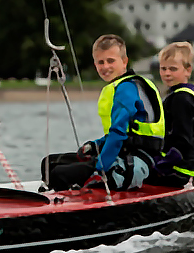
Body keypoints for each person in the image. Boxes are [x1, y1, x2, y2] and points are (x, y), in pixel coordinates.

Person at [41, 35, 166, 191]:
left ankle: (64, 207)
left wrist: (99, 169)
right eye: (101, 62)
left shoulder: (126, 89)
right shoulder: (123, 86)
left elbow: (118, 134)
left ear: (124, 61)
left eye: (111, 61)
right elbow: (126, 134)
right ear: (95, 64)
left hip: (135, 163)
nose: (105, 66)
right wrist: (96, 145)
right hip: (120, 155)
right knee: (49, 164)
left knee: (58, 174)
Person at [150, 42, 194, 188]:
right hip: (184, 169)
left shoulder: (181, 99)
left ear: (188, 70)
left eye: (173, 69)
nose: (167, 73)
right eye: (163, 69)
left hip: (173, 171)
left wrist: (159, 167)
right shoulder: (191, 95)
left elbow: (182, 140)